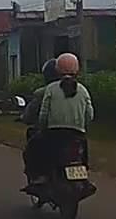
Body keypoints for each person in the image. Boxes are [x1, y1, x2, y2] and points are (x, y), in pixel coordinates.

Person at [30, 53, 95, 186]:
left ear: (57, 69)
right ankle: (84, 176)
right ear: (77, 69)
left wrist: (42, 128)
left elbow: (44, 114)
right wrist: (83, 128)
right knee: (83, 153)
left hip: (54, 134)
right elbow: (89, 114)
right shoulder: (83, 90)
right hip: (77, 134)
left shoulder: (51, 89)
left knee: (35, 149)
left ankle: (40, 175)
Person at [21, 58, 60, 180]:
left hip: (50, 133)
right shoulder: (78, 90)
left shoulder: (42, 93)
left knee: (30, 151)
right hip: (76, 133)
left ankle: (35, 175)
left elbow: (31, 115)